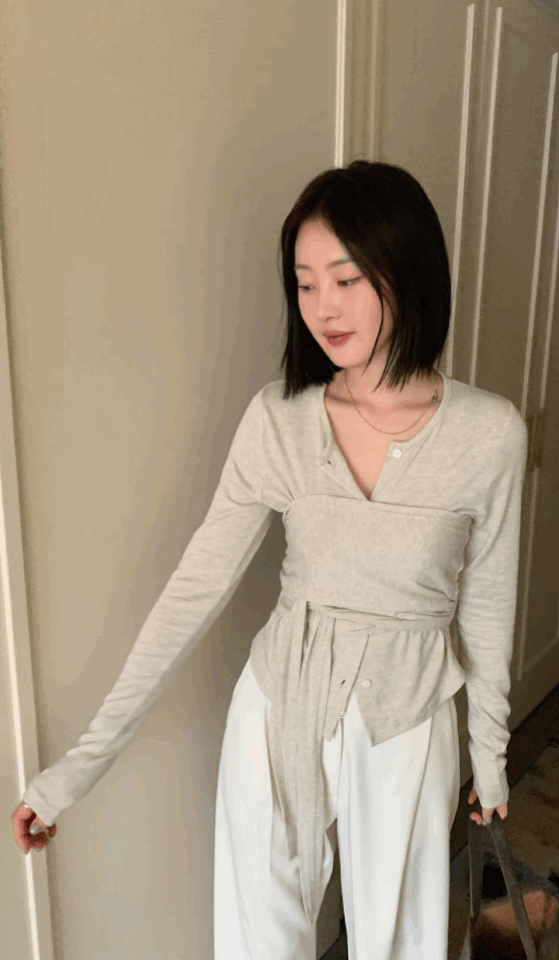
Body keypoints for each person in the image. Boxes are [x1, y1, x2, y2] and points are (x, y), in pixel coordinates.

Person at [11, 159, 526, 959]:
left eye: (346, 279)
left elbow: (487, 603)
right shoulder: (278, 419)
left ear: (408, 271)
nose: (323, 308)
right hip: (279, 699)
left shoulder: (488, 433)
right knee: (257, 942)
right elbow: (195, 588)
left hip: (408, 712)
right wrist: (74, 771)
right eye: (305, 283)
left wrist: (488, 758)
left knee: (403, 943)